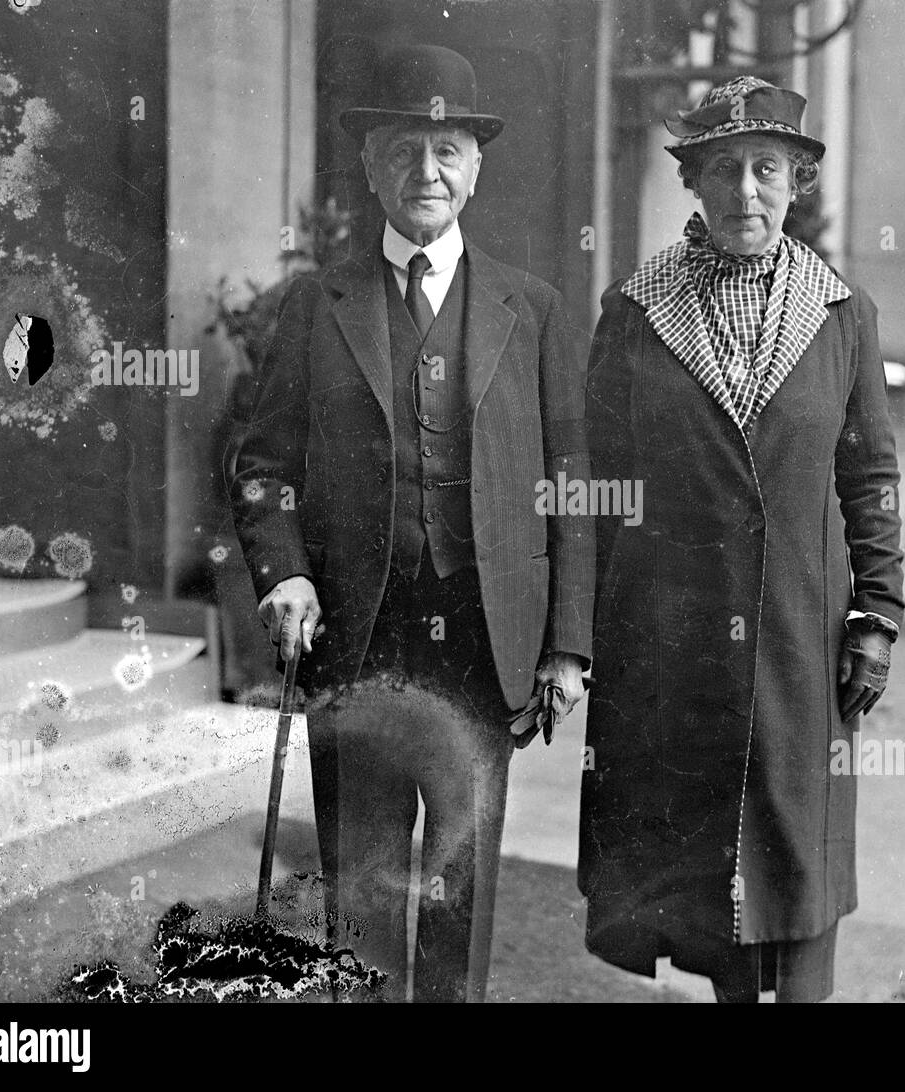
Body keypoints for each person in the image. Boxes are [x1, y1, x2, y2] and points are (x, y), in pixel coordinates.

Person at [226, 44, 593, 1002]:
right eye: (403, 149)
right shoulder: (314, 305)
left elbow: (571, 483)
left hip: (485, 639)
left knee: (461, 883)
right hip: (357, 636)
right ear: (369, 165)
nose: (425, 172)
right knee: (361, 882)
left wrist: (568, 646)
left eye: (447, 150)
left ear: (476, 166)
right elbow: (262, 464)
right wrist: (284, 572)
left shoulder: (537, 308)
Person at [577, 76, 905, 1003]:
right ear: (693, 181)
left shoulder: (842, 315)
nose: (746, 192)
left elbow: (871, 478)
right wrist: (581, 634)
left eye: (768, 169)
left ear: (798, 181)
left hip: (800, 642)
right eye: (724, 169)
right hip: (672, 647)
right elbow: (598, 485)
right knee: (705, 887)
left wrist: (876, 613)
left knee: (795, 880)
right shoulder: (636, 313)